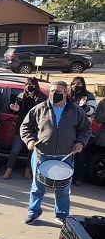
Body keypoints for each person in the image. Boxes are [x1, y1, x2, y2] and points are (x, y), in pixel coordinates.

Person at [20, 81, 92, 225]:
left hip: (65, 156)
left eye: (58, 92)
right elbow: (25, 127)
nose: (54, 94)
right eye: (52, 91)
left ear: (65, 93)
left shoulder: (76, 110)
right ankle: (33, 212)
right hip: (41, 155)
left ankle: (62, 215)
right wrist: (29, 140)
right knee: (37, 187)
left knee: (63, 189)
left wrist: (80, 143)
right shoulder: (39, 108)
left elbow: (86, 129)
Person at [3, 77, 45, 180]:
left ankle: (27, 170)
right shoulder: (20, 97)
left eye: (31, 85)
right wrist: (16, 109)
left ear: (35, 86)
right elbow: (15, 111)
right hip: (22, 128)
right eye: (27, 84)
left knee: (32, 151)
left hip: (36, 129)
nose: (29, 87)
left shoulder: (42, 98)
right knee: (15, 149)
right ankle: (9, 170)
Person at [69, 76, 97, 186]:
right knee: (67, 153)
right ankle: (65, 176)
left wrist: (84, 107)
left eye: (79, 83)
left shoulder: (88, 95)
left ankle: (78, 177)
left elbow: (91, 112)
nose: (76, 85)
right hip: (69, 127)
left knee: (79, 153)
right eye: (74, 83)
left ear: (83, 85)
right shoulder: (68, 95)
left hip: (82, 128)